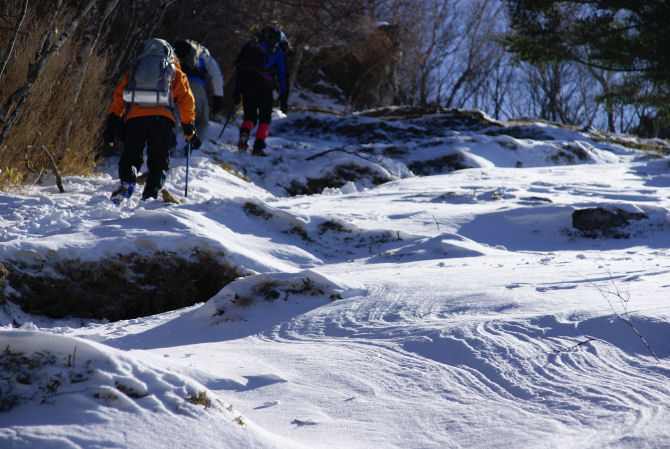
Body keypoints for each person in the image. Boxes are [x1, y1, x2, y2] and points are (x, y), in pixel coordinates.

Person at [104, 38, 197, 204]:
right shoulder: (173, 69)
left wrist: (114, 118)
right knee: (159, 160)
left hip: (135, 118)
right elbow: (185, 98)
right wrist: (188, 125)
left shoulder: (136, 68)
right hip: (162, 120)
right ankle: (151, 194)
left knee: (131, 155)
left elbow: (120, 95)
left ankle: (127, 183)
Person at [233, 25, 289, 156]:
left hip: (248, 83)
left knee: (250, 116)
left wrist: (237, 91)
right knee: (265, 117)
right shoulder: (277, 51)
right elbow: (282, 76)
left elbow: (240, 71)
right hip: (265, 84)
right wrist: (284, 97)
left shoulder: (251, 46)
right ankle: (258, 146)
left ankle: (244, 137)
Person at [172, 39, 224, 142]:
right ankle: (195, 144)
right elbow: (216, 75)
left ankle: (169, 141)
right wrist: (218, 97)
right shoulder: (203, 55)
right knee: (202, 121)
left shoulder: (175, 53)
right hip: (198, 87)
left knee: (176, 116)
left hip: (179, 86)